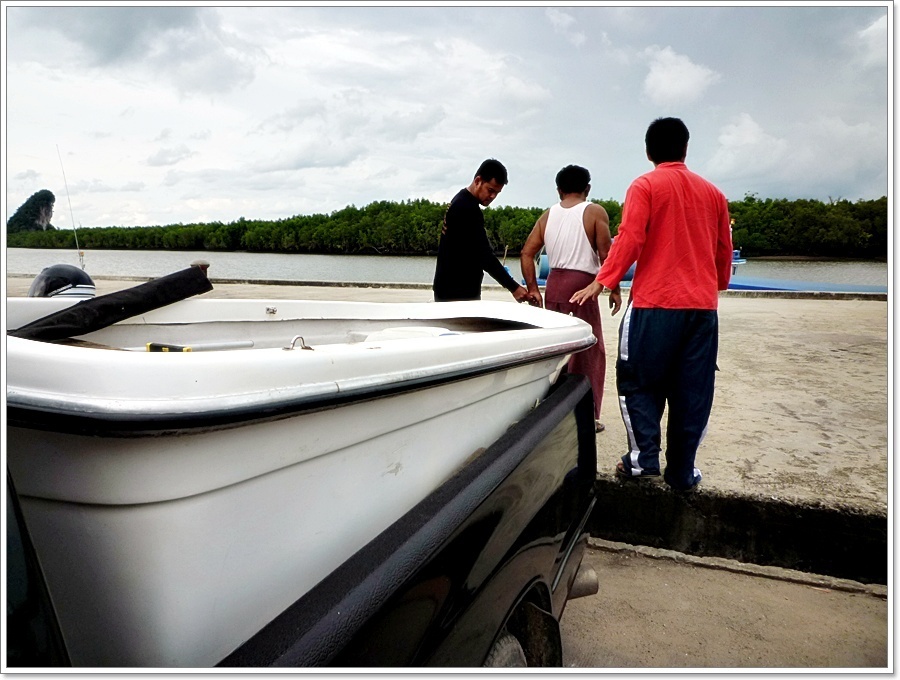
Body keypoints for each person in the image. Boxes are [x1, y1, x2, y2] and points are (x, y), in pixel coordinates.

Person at [570, 117, 733, 492]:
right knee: (693, 389)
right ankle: (683, 471)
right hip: (702, 310)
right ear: (686, 149)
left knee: (639, 382)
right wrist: (714, 284)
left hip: (654, 306)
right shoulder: (714, 194)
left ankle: (643, 461)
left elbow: (630, 238)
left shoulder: (645, 185)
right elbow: (723, 251)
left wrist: (604, 279)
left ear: (649, 152)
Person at [520, 165, 621, 433]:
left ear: (558, 190)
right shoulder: (594, 211)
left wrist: (533, 288)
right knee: (588, 353)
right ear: (587, 188)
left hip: (554, 285)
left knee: (557, 351)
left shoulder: (547, 215)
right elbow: (606, 254)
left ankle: (551, 412)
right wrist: (614, 288)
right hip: (582, 286)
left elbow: (527, 253)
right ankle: (586, 415)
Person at [433, 159, 535, 303]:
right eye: (490, 190)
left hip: (450, 288)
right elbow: (484, 256)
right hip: (457, 292)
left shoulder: (460, 200)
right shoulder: (467, 208)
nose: (493, 197)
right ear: (478, 181)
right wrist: (513, 287)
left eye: (497, 193)